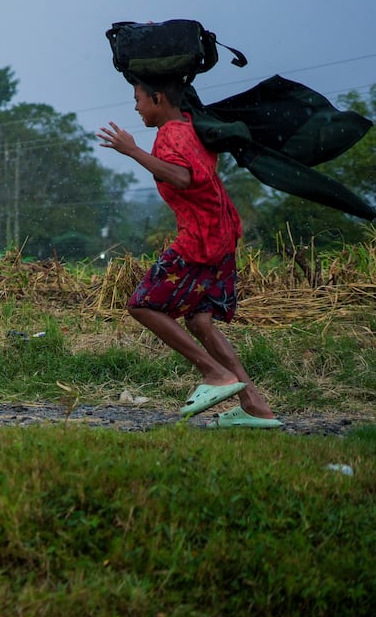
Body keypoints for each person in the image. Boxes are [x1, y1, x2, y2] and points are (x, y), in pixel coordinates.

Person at [97, 77, 280, 428]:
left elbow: (182, 178)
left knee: (141, 305)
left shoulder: (170, 134)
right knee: (199, 320)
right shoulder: (192, 125)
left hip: (199, 241)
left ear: (158, 98)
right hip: (223, 235)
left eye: (138, 98)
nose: (135, 107)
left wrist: (133, 150)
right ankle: (255, 405)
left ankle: (214, 374)